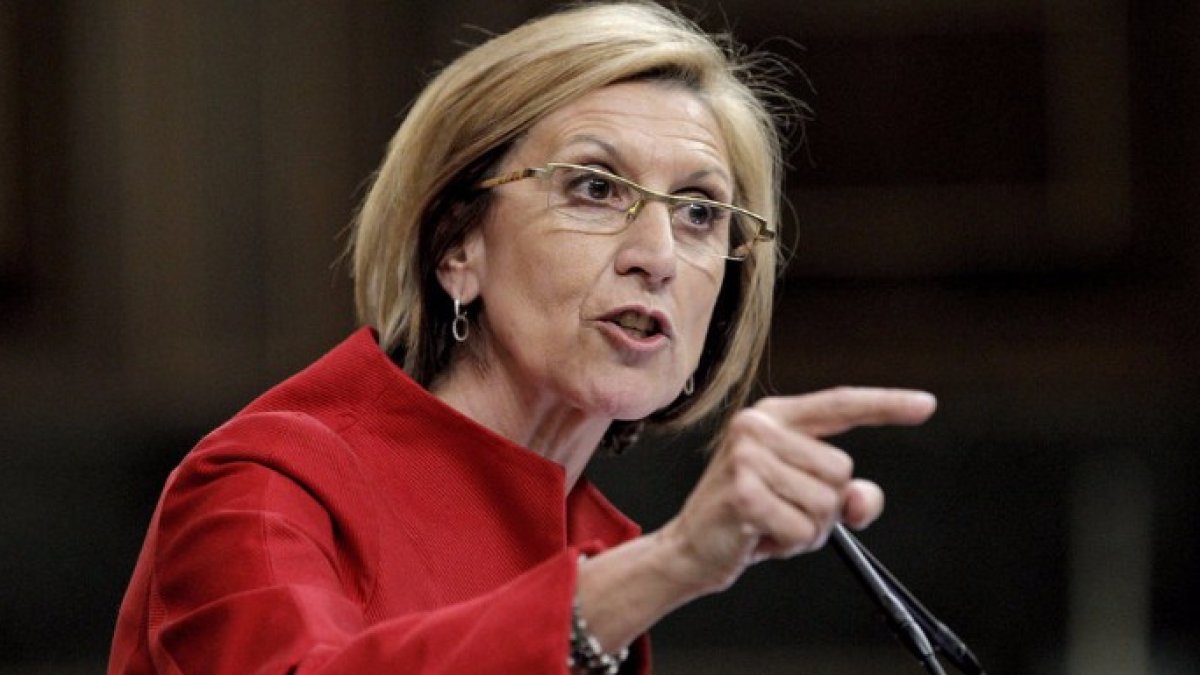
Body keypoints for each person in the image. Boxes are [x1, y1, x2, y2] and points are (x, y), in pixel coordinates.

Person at [108, 2, 937, 673]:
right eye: (594, 187)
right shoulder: (264, 488)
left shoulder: (596, 546)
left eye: (699, 211)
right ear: (456, 247)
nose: (657, 257)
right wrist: (668, 564)